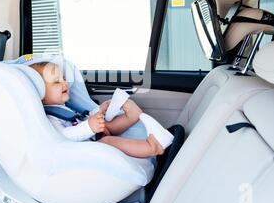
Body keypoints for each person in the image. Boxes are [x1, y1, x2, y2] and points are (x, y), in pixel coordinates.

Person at [30, 62, 173, 158]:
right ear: (40, 93)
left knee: (108, 125)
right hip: (83, 151)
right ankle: (153, 146)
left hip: (91, 136)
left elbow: (77, 118)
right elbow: (64, 136)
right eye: (56, 82)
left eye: (63, 78)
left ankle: (133, 115)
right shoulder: (49, 117)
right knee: (109, 141)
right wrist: (89, 127)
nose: (65, 83)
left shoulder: (62, 107)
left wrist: (98, 111)